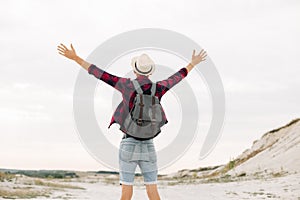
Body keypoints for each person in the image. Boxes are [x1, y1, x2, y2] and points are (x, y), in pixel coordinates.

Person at [57, 43, 207, 200]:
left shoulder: (126, 85)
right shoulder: (159, 88)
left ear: (135, 70)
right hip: (149, 145)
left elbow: (100, 73)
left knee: (126, 192)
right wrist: (193, 63)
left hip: (128, 144)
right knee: (153, 190)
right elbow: (177, 77)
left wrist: (75, 58)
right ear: (150, 72)